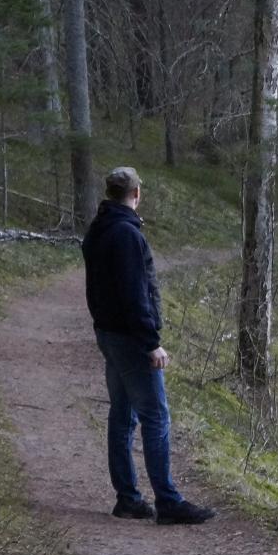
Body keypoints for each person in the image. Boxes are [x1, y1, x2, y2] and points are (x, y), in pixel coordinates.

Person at [81, 166, 216, 525]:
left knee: (123, 415)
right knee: (156, 416)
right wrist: (151, 343)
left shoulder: (99, 229)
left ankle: (128, 499)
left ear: (110, 192)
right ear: (136, 194)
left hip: (109, 334)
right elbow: (134, 294)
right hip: (129, 339)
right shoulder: (126, 234)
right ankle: (168, 502)